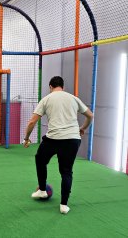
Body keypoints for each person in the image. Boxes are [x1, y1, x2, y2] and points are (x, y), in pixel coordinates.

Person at [23, 76, 93, 214]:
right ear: (63, 87)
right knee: (66, 171)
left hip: (53, 139)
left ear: (50, 87)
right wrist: (83, 128)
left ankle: (42, 190)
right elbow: (90, 115)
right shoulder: (73, 98)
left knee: (40, 160)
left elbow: (32, 122)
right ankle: (64, 205)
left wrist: (26, 138)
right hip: (73, 139)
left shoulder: (46, 99)